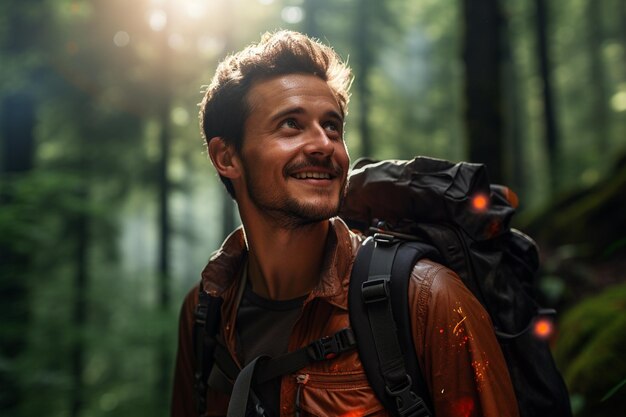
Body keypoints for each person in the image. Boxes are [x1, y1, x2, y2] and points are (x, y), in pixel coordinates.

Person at [171, 30, 519, 417]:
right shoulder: (206, 310)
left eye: (332, 126)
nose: (324, 144)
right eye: (291, 124)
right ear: (227, 157)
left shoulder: (427, 300)